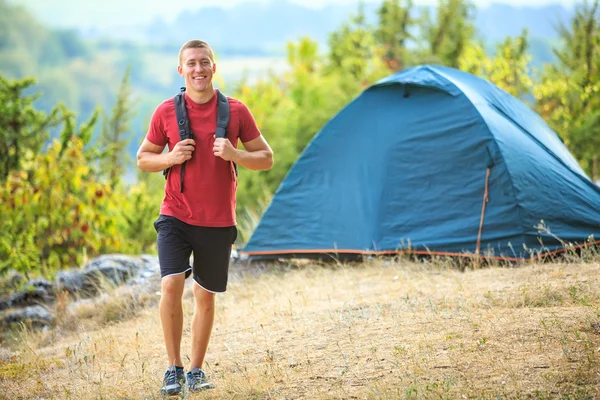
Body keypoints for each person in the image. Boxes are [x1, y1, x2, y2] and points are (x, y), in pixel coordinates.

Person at [137, 39, 274, 395]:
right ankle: (174, 368)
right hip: (175, 215)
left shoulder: (237, 112)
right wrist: (170, 159)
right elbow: (143, 158)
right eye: (191, 64)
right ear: (180, 70)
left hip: (217, 220)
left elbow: (266, 157)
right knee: (170, 284)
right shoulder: (166, 111)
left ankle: (196, 371)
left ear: (214, 67)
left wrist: (234, 153)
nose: (198, 69)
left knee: (205, 297)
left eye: (204, 62)